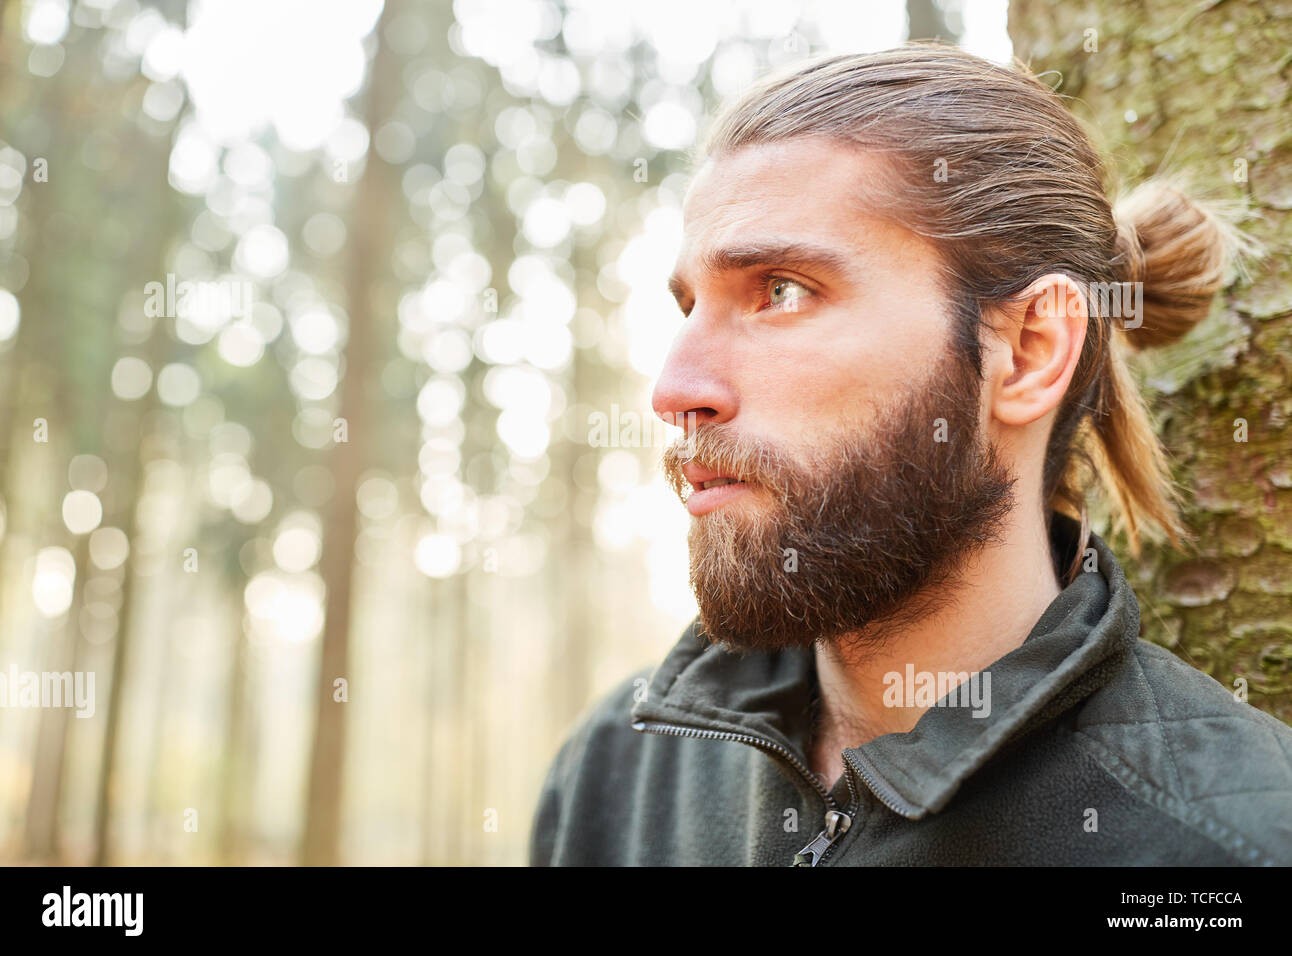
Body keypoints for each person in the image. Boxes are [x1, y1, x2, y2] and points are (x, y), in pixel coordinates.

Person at [530, 44, 1292, 866]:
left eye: (780, 291)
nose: (674, 390)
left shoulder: (1231, 843)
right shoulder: (616, 775)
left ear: (1031, 349)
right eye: (690, 306)